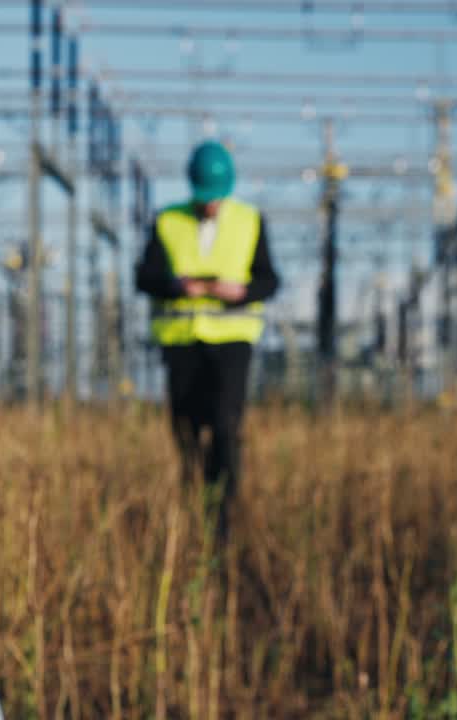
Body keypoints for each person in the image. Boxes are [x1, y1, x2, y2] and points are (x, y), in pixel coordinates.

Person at [134, 140, 279, 541]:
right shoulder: (167, 221)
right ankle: (193, 497)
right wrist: (175, 285)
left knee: (226, 426)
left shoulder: (249, 221)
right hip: (181, 344)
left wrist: (241, 291)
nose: (209, 205)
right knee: (186, 429)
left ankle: (222, 515)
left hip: (232, 343)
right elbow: (142, 277)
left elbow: (269, 280)